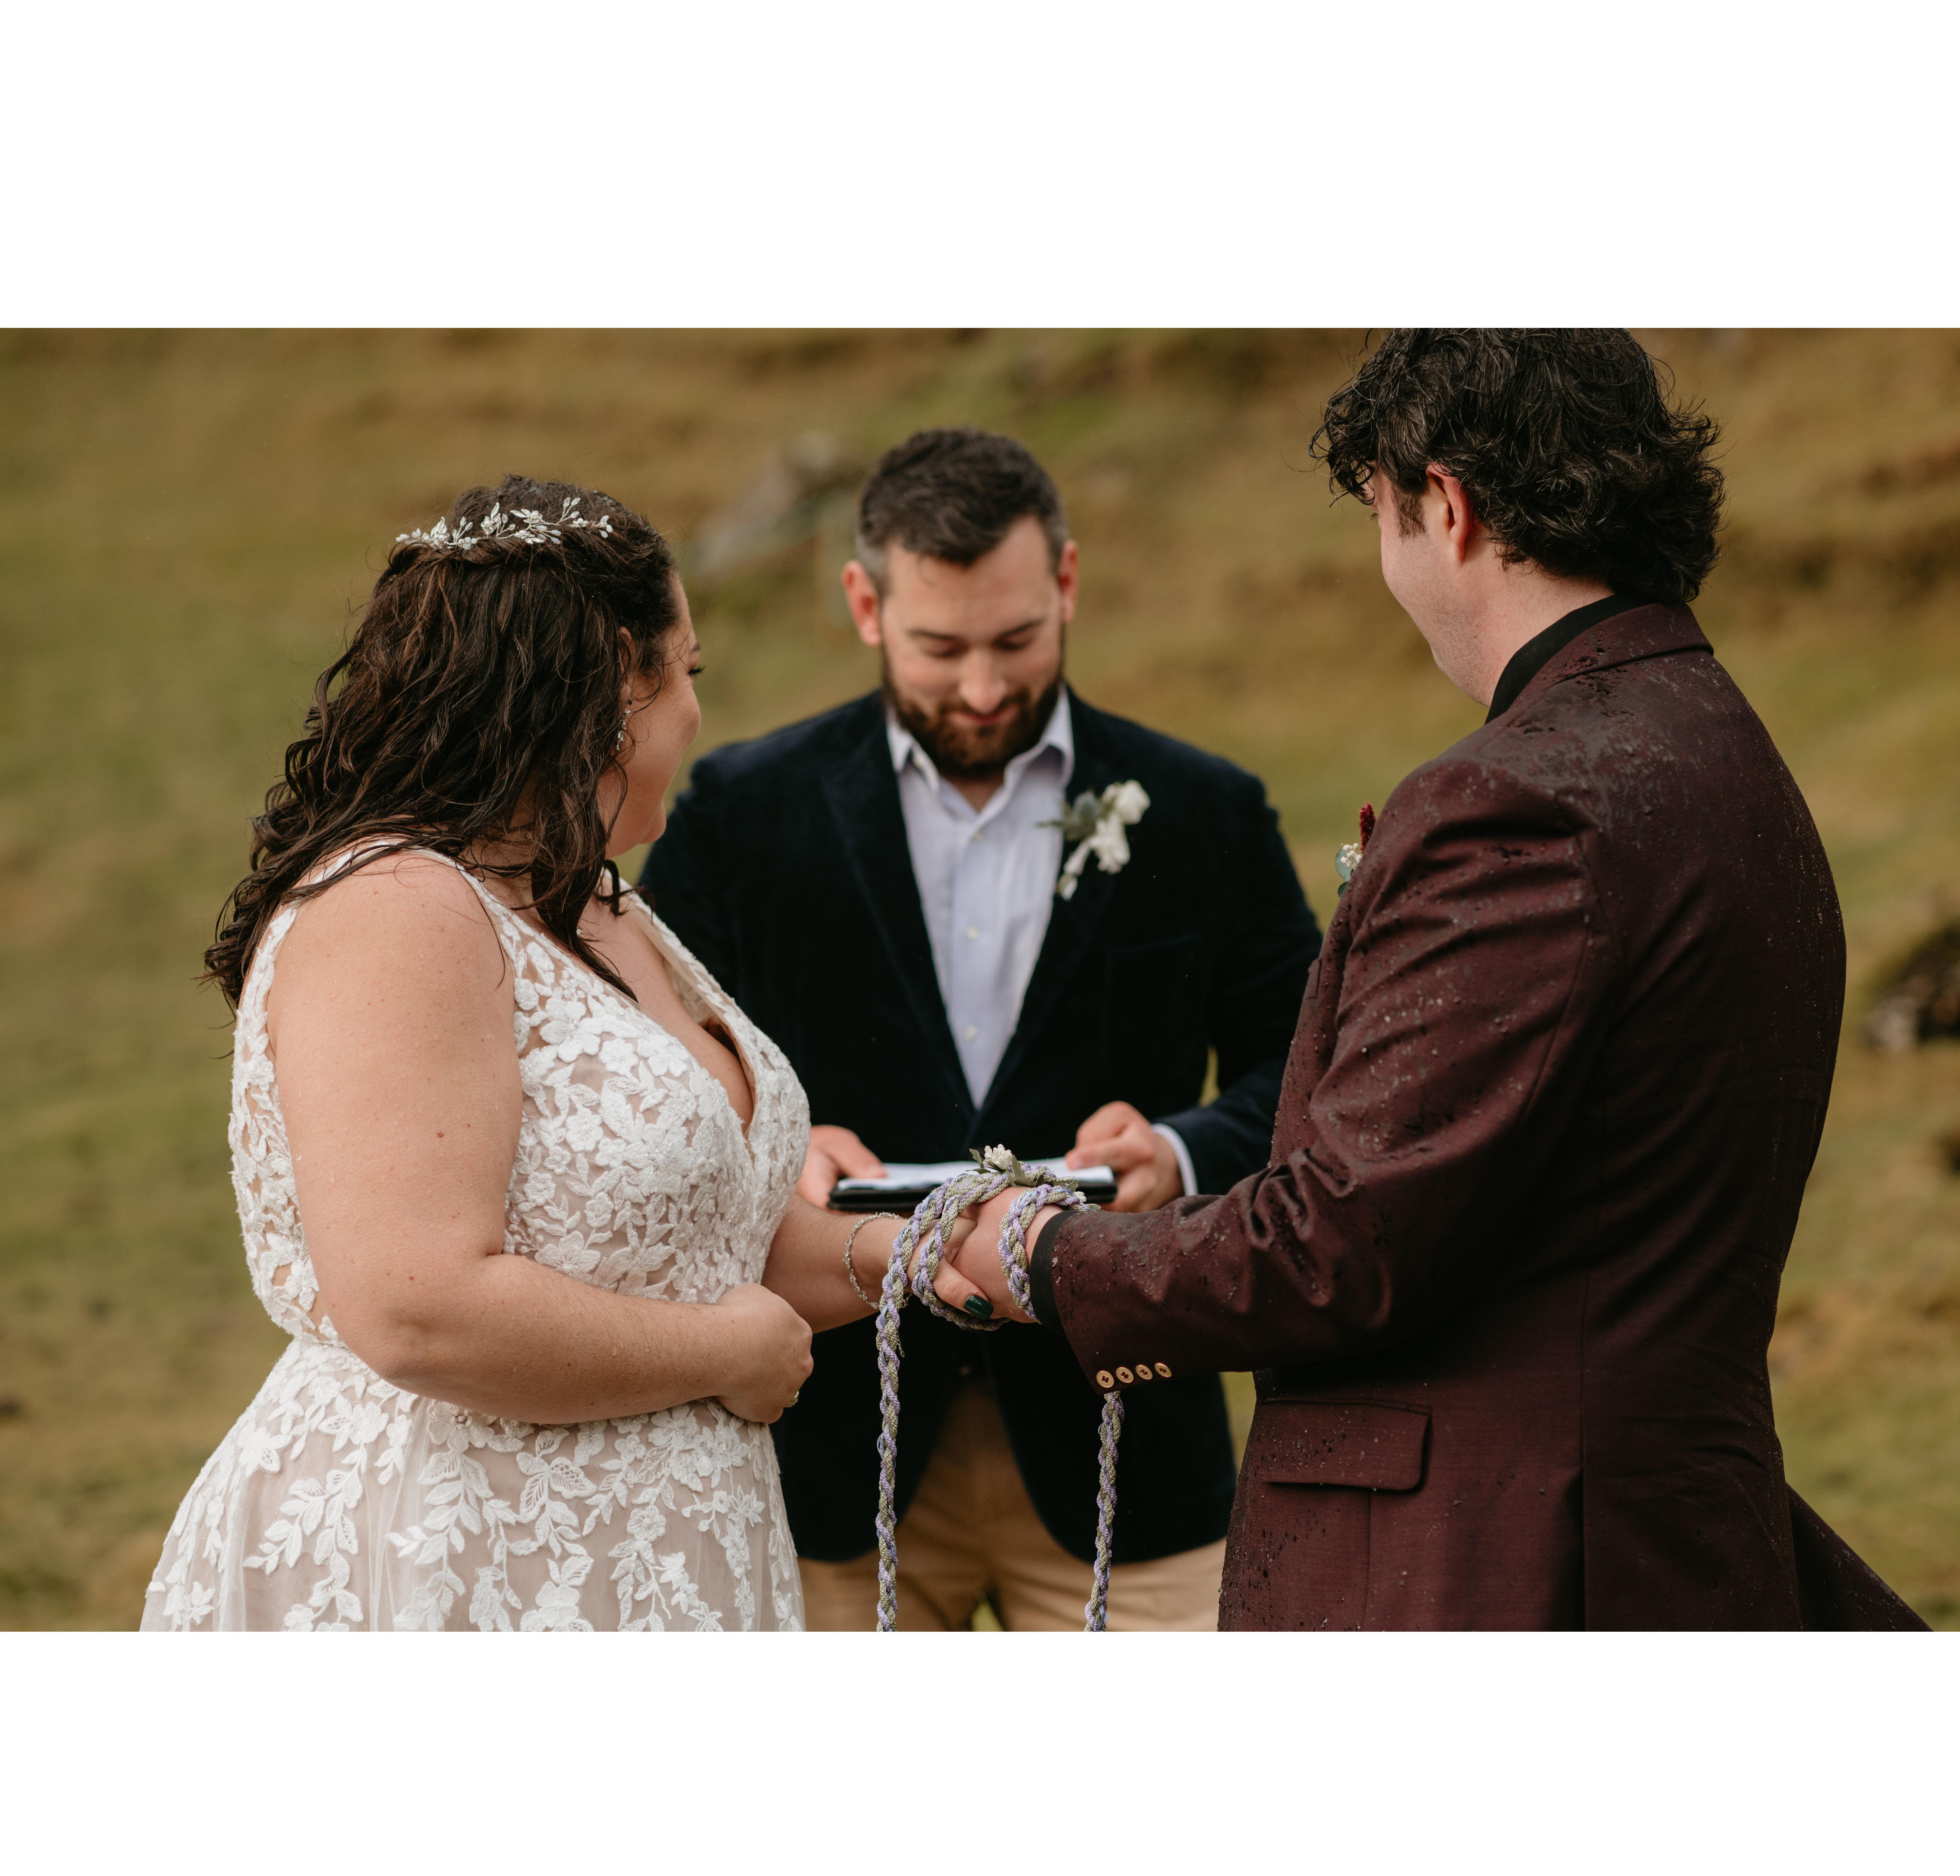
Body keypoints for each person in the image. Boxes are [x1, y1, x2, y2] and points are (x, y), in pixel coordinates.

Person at [950, 331, 1928, 1631]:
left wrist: (1045, 1253)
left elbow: (1342, 1247)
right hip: (1664, 1535)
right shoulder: (1730, 754)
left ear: (1447, 506)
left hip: (1497, 1564)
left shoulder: (1519, 802)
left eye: (1385, 516)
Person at [143, 475, 971, 1633]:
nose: (694, 710)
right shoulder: (400, 910)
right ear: (601, 700)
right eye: (685, 672)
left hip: (664, 1556)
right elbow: (418, 1307)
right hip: (457, 1552)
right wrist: (720, 1355)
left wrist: (930, 1251)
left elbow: (701, 1238)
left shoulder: (599, 909)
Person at [640, 428, 1322, 1629]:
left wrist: (1183, 1149)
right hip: (829, 1450)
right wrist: (776, 1149)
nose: (984, 687)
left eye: (1015, 641)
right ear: (865, 602)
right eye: (939, 647)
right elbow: (655, 1068)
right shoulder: (739, 817)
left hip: (1127, 1439)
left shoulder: (1206, 812)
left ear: (1066, 583)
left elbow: (1313, 1072)